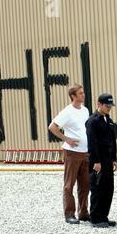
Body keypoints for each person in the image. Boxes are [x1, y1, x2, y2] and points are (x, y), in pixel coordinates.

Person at [48, 84, 90, 224]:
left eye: (83, 93)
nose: (83, 95)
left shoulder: (85, 110)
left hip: (85, 152)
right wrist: (67, 139)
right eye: (80, 93)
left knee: (85, 184)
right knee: (69, 184)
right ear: (73, 96)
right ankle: (69, 214)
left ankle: (83, 213)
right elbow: (52, 127)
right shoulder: (67, 111)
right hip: (72, 153)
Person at [86, 93, 117, 228]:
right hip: (98, 159)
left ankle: (104, 216)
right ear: (99, 104)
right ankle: (95, 217)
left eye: (110, 106)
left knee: (108, 188)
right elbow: (92, 143)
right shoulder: (93, 121)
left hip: (108, 159)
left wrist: (114, 159)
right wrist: (96, 161)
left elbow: (112, 141)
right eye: (107, 105)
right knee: (97, 188)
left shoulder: (108, 120)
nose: (109, 108)